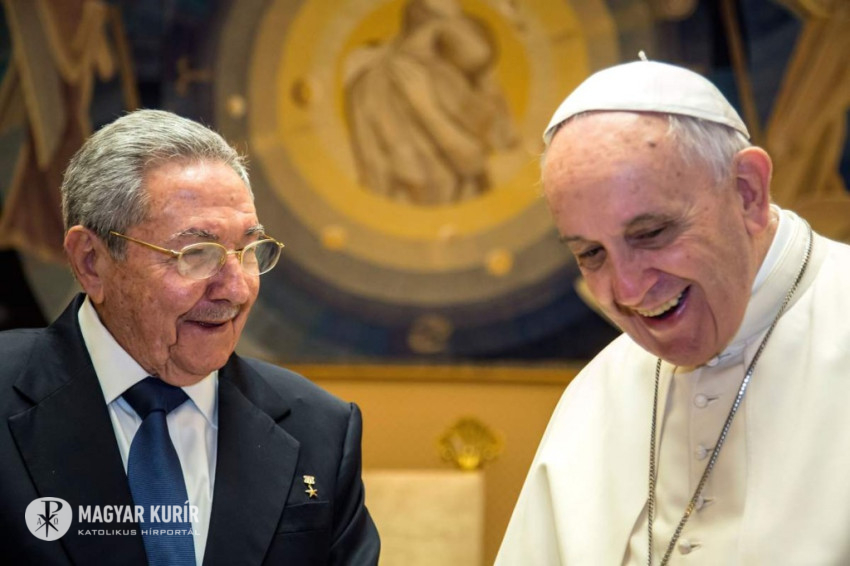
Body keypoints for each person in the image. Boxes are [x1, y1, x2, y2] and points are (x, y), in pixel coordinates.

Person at [496, 59, 850, 565]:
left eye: (651, 234)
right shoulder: (599, 392)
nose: (628, 289)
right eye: (591, 254)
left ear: (747, 192)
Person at [0, 109, 380, 565]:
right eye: (197, 253)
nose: (236, 289)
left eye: (249, 250)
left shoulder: (320, 428)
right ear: (91, 262)